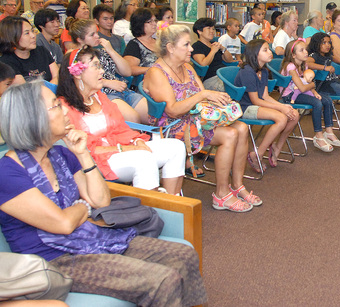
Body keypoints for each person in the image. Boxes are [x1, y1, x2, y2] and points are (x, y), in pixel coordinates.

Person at [0, 81, 206, 306]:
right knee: (162, 280)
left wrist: (83, 154)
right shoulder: (8, 173)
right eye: (56, 105)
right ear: (32, 118)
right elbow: (63, 224)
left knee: (183, 255)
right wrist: (83, 206)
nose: (65, 109)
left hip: (88, 237)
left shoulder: (60, 154)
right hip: (55, 258)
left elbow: (100, 200)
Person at [145, 26, 262, 210]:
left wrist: (218, 101)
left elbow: (202, 96)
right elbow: (173, 111)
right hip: (173, 126)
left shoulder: (187, 67)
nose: (191, 49)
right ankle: (221, 194)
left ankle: (238, 186)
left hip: (194, 118)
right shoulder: (157, 73)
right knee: (230, 134)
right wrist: (203, 96)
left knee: (242, 127)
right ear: (170, 48)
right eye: (186, 45)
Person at [57, 47, 183, 194]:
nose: (102, 71)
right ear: (77, 74)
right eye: (96, 66)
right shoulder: (64, 108)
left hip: (120, 149)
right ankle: (151, 212)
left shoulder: (99, 97)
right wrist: (127, 148)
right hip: (97, 160)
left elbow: (121, 128)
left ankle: (171, 205)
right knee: (144, 159)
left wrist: (137, 141)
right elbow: (85, 149)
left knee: (176, 147)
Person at [234, 39, 299, 169]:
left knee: (294, 114)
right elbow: (255, 100)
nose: (270, 52)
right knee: (281, 117)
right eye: (265, 50)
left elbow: (265, 96)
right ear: (255, 54)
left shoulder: (263, 71)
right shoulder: (247, 71)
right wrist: (281, 107)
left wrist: (283, 107)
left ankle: (277, 148)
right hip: (245, 107)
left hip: (257, 104)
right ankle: (257, 154)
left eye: (268, 49)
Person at [69, 18, 147, 124]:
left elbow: (127, 72)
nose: (97, 36)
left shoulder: (101, 52)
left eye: (96, 33)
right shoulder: (74, 56)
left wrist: (110, 50)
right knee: (133, 119)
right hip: (103, 94)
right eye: (92, 35)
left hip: (122, 91)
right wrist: (108, 83)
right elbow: (78, 80)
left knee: (150, 115)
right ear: (79, 39)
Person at [280, 39, 340, 152]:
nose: (306, 52)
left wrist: (315, 92)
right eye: (301, 50)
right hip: (290, 96)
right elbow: (303, 87)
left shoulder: (304, 65)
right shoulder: (290, 67)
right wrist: (312, 85)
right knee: (317, 103)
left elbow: (306, 86)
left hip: (301, 92)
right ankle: (318, 136)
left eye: (305, 50)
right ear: (293, 55)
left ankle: (329, 131)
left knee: (326, 99)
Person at [0, 16, 58, 85]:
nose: (33, 35)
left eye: (32, 31)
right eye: (27, 33)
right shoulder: (6, 62)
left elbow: (57, 75)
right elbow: (24, 89)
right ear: (13, 37)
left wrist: (51, 89)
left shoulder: (41, 51)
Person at [191, 17, 233, 91]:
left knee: (243, 81)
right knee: (229, 88)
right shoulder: (196, 46)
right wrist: (213, 51)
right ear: (199, 31)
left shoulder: (214, 44)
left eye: (213, 29)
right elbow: (203, 64)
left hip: (224, 74)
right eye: (208, 28)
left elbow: (230, 60)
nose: (212, 31)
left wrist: (223, 49)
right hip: (211, 78)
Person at [123, 8, 158, 76]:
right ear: (140, 24)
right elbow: (130, 69)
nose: (154, 24)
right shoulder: (134, 45)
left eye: (155, 21)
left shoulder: (159, 42)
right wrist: (154, 69)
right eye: (150, 21)